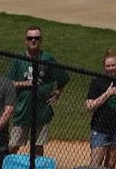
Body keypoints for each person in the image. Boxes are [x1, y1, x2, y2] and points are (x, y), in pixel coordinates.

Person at [6, 25, 69, 156]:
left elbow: (64, 77)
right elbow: (7, 83)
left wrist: (57, 92)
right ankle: (7, 168)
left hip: (42, 111)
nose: (33, 40)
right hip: (22, 110)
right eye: (30, 38)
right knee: (13, 145)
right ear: (26, 41)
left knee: (38, 147)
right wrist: (26, 83)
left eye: (36, 38)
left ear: (41, 40)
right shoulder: (19, 60)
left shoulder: (47, 59)